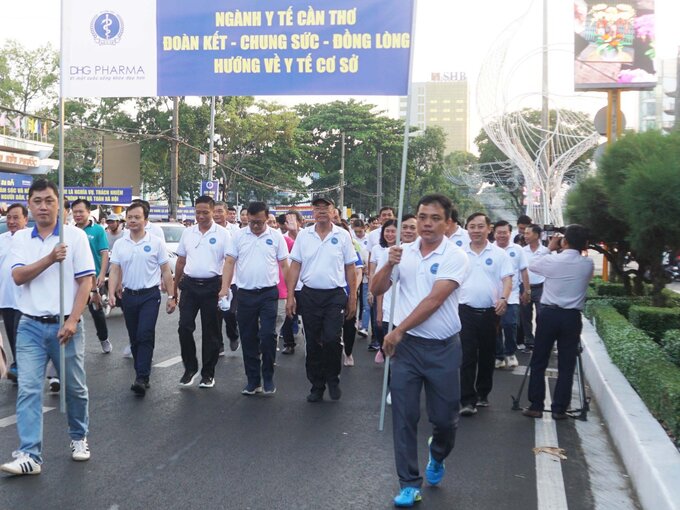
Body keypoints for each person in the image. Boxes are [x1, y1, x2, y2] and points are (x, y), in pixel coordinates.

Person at [371, 193, 469, 508]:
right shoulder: (403, 253)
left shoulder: (456, 256)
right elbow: (376, 289)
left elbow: (435, 300)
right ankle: (409, 483)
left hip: (442, 349)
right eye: (423, 217)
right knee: (405, 416)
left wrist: (398, 330)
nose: (427, 224)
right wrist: (389, 263)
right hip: (408, 351)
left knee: (444, 420)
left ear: (448, 223)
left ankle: (437, 454)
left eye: (435, 218)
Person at [1, 179, 95, 475]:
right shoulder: (20, 239)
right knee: (28, 389)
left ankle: (79, 437)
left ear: (60, 204)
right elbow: (18, 277)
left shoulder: (76, 237)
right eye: (37, 201)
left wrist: (72, 320)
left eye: (49, 200)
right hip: (28, 324)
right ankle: (30, 454)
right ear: (29, 205)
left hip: (65, 326)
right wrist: (51, 257)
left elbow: (86, 282)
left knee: (74, 388)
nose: (43, 206)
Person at [286, 195, 357, 402]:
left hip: (334, 295)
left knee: (331, 338)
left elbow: (350, 267)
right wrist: (290, 295)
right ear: (312, 212)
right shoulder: (304, 236)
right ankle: (317, 385)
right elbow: (295, 266)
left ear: (334, 211)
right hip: (309, 295)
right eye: (317, 208)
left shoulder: (342, 235)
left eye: (326, 207)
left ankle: (332, 378)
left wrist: (353, 297)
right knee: (313, 343)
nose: (321, 211)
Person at [523, 225, 594, 420]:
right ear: (585, 244)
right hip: (571, 317)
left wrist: (549, 247)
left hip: (548, 314)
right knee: (566, 363)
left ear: (564, 241)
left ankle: (536, 405)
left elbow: (532, 264)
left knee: (539, 360)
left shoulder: (552, 259)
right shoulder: (587, 264)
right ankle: (559, 408)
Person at [220, 202, 289, 395]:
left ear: (267, 218)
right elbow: (230, 262)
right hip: (245, 294)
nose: (255, 226)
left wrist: (291, 293)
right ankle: (253, 380)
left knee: (267, 335)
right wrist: (224, 288)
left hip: (268, 294)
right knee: (248, 337)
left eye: (259, 222)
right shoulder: (239, 236)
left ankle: (268, 376)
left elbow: (284, 266)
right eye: (251, 222)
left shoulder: (276, 237)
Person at [108, 202, 176, 396]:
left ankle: (142, 377)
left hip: (150, 296)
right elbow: (114, 270)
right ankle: (141, 371)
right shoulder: (121, 243)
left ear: (145, 220)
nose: (133, 221)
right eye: (130, 217)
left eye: (137, 217)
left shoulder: (155, 243)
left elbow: (165, 270)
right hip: (129, 295)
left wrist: (171, 296)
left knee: (145, 333)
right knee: (134, 337)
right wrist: (111, 293)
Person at [458, 213, 513, 416]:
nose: (476, 230)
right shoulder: (460, 253)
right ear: (467, 229)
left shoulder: (499, 254)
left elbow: (507, 279)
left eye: (480, 226)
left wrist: (504, 299)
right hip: (464, 310)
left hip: (491, 312)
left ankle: (482, 393)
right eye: (472, 227)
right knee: (467, 355)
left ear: (488, 229)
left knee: (487, 354)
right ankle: (466, 399)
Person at [174, 195, 232, 388]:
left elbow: (229, 263)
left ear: (213, 211)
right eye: (197, 212)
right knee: (184, 327)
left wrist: (224, 289)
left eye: (205, 212)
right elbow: (181, 261)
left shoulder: (223, 234)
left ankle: (208, 373)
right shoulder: (188, 233)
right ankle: (190, 368)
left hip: (212, 287)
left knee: (211, 332)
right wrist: (174, 290)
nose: (201, 216)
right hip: (190, 286)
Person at [71, 198, 112, 354]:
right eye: (75, 212)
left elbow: (104, 253)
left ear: (88, 212)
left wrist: (102, 274)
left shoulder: (98, 230)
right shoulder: (71, 230)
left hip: (93, 279)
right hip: (75, 280)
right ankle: (72, 345)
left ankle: (103, 338)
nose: (78, 215)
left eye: (81, 211)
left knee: (96, 311)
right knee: (72, 312)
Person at [492, 221, 530, 369]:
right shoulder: (490, 249)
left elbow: (524, 271)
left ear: (510, 233)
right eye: (499, 232)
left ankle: (510, 353)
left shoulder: (518, 249)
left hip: (512, 294)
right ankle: (499, 356)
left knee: (510, 324)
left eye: (505, 232)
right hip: (493, 295)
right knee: (495, 327)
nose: (502, 235)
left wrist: (527, 291)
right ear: (494, 233)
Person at [0, 203, 29, 382]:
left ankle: (21, 367)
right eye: (9, 217)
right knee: (11, 333)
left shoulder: (29, 238)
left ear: (25, 219)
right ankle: (19, 366)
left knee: (22, 334)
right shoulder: (1, 238)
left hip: (24, 297)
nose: (11, 221)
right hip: (5, 297)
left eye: (16, 217)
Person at [213, 201, 240, 354]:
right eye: (214, 212)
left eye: (219, 211)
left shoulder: (236, 231)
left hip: (233, 279)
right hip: (215, 278)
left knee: (230, 312)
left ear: (226, 213)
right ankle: (219, 344)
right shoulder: (208, 231)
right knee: (215, 315)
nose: (216, 214)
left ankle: (233, 334)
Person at [519, 224, 550, 351]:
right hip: (524, 287)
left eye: (528, 233)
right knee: (525, 316)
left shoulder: (546, 251)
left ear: (537, 235)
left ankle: (541, 340)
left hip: (541, 287)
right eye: (525, 233)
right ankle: (529, 341)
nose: (525, 236)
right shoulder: (521, 251)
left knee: (541, 316)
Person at [369, 219, 398, 352]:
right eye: (387, 231)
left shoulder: (404, 250)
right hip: (380, 292)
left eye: (393, 231)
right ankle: (382, 349)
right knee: (378, 324)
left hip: (397, 299)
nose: (390, 234)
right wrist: (370, 291)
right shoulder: (377, 249)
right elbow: (372, 272)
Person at [280, 211, 304, 355]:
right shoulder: (281, 239)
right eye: (287, 221)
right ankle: (289, 343)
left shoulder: (308, 236)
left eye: (293, 221)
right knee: (288, 315)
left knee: (308, 316)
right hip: (288, 284)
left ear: (300, 222)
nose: (290, 224)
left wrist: (295, 232)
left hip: (305, 285)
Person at [351, 219, 371, 338]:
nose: (358, 234)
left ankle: (364, 326)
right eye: (356, 231)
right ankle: (355, 322)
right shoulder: (351, 239)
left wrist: (367, 268)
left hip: (366, 274)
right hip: (354, 273)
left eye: (360, 231)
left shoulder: (369, 239)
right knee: (354, 299)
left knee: (365, 302)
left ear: (365, 228)